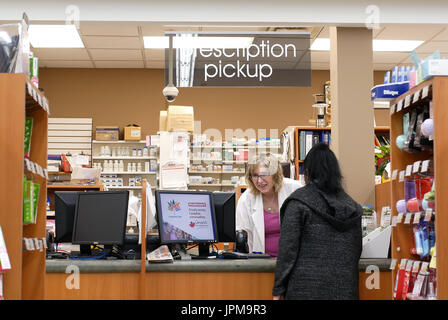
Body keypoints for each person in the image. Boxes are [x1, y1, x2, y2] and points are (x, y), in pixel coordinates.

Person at [272, 143, 363, 300]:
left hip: (305, 290)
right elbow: (356, 250)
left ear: (307, 172)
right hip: (345, 290)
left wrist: (278, 289)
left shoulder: (298, 203)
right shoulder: (353, 207)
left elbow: (288, 250)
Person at [236, 153, 304, 256]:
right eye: (255, 175)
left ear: (275, 174)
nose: (259, 181)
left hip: (294, 260)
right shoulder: (246, 199)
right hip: (261, 264)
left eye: (264, 175)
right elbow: (243, 239)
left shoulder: (295, 189)